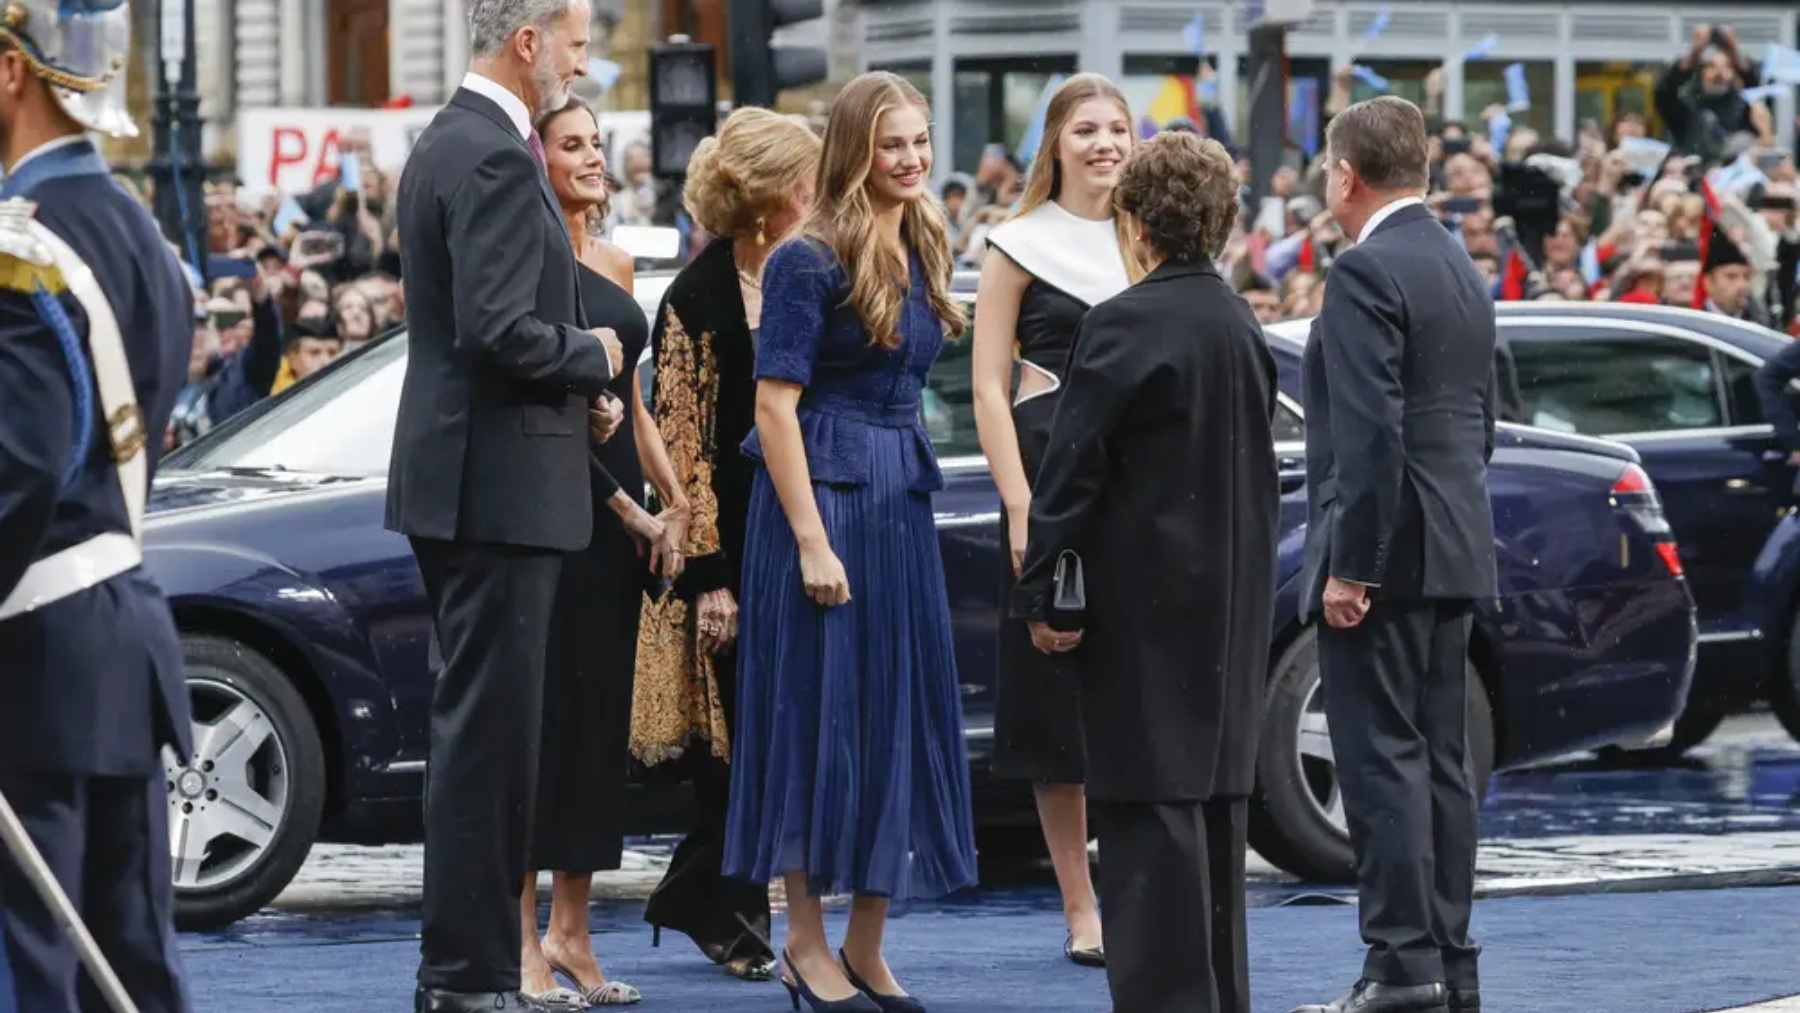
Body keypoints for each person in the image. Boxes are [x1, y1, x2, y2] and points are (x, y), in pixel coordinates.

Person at [385, 2, 624, 1010]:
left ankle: (467, 972)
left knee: (484, 742)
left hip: (489, 481)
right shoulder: (485, 152)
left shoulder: (462, 139)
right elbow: (494, 329)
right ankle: (468, 977)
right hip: (494, 493)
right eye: (574, 40)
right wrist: (594, 355)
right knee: (487, 749)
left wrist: (582, 397)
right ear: (526, 42)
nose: (583, 60)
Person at [723, 71, 979, 1013]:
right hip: (823, 505)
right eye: (892, 144)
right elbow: (773, 408)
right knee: (812, 720)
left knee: (895, 717)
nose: (911, 158)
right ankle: (802, 942)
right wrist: (810, 540)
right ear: (853, 150)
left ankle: (865, 945)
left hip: (898, 504)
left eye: (919, 140)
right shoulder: (806, 259)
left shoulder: (920, 236)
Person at [1009, 131, 1279, 1013]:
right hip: (1229, 613)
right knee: (1213, 826)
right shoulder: (1240, 322)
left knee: (1146, 824)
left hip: (1143, 612)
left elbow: (1071, 472)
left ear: (1135, 221)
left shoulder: (1120, 324)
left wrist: (1045, 591)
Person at [0, 1, 198, 1010]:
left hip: (35, 652)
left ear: (10, 74)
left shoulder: (20, 245)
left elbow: (20, 463)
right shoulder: (140, 231)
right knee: (129, 961)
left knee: (35, 971)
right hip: (118, 635)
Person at [1289, 96, 1498, 1013]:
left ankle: (1399, 966)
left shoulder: (1366, 268)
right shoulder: (1458, 261)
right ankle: (1447, 964)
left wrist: (1354, 564)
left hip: (1389, 553)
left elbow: (1369, 434)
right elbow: (1479, 422)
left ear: (1346, 175)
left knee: (1381, 764)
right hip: (1453, 541)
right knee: (1442, 763)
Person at [633, 106, 820, 985]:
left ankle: (703, 893)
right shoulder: (696, 297)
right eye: (806, 182)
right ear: (768, 199)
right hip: (725, 547)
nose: (818, 195)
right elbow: (682, 447)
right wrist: (709, 577)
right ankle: (725, 905)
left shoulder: (805, 273)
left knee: (775, 731)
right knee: (732, 739)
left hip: (797, 531)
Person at [518, 95, 684, 1011]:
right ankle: (523, 944)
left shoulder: (616, 261)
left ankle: (572, 931)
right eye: (570, 145)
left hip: (628, 529)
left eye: (595, 146)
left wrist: (674, 498)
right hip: (565, 517)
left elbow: (637, 404)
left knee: (596, 736)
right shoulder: (535, 264)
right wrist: (628, 508)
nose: (590, 159)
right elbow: (550, 411)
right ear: (535, 159)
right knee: (546, 733)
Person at [971, 71, 1137, 968]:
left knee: (1135, 696)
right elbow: (989, 387)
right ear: (1056, 143)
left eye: (1117, 127)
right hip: (1044, 484)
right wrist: (1020, 504)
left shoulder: (1153, 239)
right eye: (1086, 128)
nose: (1104, 142)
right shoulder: (1018, 243)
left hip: (1138, 494)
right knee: (1053, 701)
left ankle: (1141, 887)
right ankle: (1081, 906)